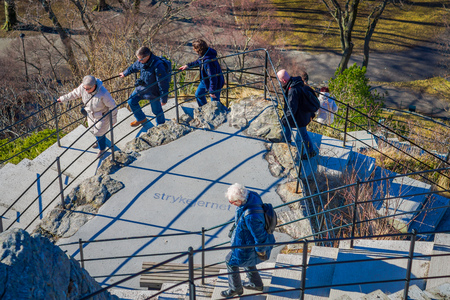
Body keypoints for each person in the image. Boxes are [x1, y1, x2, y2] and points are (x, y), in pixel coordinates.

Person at [222, 183, 275, 298]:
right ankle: (256, 284)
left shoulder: (251, 217)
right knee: (248, 262)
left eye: (232, 202)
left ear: (239, 200)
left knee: (230, 261)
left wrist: (261, 252)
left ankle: (235, 288)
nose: (232, 204)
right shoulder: (252, 196)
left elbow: (260, 237)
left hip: (248, 246)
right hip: (247, 243)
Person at [57, 75, 117, 158]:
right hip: (90, 114)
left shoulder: (103, 93)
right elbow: (74, 94)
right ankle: (99, 141)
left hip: (102, 115)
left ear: (94, 86)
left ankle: (102, 149)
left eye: (88, 89)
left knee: (98, 132)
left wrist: (113, 120)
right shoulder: (84, 87)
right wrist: (63, 99)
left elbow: (112, 106)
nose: (85, 90)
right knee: (92, 129)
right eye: (84, 88)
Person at [119, 46, 167, 127]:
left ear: (147, 56)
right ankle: (141, 118)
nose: (139, 61)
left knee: (157, 111)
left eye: (141, 59)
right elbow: (133, 67)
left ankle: (161, 126)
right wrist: (125, 73)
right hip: (142, 88)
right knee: (131, 101)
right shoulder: (141, 62)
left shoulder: (158, 66)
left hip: (153, 91)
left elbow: (163, 83)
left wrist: (163, 98)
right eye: (138, 59)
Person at [277, 69, 316, 160]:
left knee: (301, 133)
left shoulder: (292, 90)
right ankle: (288, 142)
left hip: (300, 117)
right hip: (304, 113)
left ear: (283, 80)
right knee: (301, 132)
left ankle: (309, 151)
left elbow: (291, 108)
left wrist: (284, 119)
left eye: (279, 80)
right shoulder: (296, 82)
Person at [179, 39, 224, 107]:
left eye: (194, 48)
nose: (193, 49)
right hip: (205, 80)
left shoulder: (208, 61)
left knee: (215, 103)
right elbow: (199, 61)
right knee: (198, 94)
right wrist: (187, 65)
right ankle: (205, 110)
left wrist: (212, 91)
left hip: (215, 82)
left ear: (198, 49)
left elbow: (213, 77)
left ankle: (223, 114)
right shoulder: (205, 54)